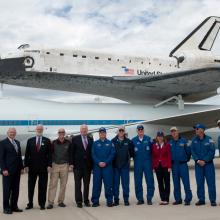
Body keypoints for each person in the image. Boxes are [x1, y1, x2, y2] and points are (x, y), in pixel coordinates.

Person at [24, 124, 52, 210]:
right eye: (38, 129)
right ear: (35, 130)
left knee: (42, 187)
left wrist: (49, 165)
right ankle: (30, 203)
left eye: (41, 129)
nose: (39, 130)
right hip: (32, 168)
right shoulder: (30, 140)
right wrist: (26, 165)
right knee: (31, 187)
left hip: (43, 168)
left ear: (42, 130)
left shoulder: (47, 141)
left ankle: (42, 204)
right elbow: (27, 154)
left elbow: (50, 154)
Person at [191, 123, 216, 206]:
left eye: (197, 129)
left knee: (211, 183)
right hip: (198, 165)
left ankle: (212, 200)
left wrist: (204, 160)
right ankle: (201, 199)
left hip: (208, 165)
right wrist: (198, 160)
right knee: (199, 182)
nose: (196, 130)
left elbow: (212, 151)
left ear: (202, 130)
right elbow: (193, 151)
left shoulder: (209, 139)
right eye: (195, 129)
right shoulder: (194, 140)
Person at [0, 128, 24, 214]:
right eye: (11, 132)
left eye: (14, 132)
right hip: (8, 171)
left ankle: (14, 206)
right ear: (7, 133)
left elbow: (19, 156)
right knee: (7, 190)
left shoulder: (17, 142)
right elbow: (1, 158)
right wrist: (3, 169)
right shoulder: (3, 143)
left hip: (17, 170)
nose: (12, 133)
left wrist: (21, 167)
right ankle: (6, 208)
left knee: (15, 189)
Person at [47, 128, 71, 209]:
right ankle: (50, 202)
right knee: (53, 184)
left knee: (63, 185)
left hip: (65, 165)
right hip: (55, 165)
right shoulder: (54, 143)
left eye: (62, 132)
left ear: (64, 133)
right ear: (58, 133)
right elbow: (50, 154)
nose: (61, 133)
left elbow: (71, 154)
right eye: (60, 132)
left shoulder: (68, 142)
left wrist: (70, 164)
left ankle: (61, 201)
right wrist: (50, 165)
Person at [70, 124, 94, 208]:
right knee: (78, 185)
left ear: (87, 131)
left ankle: (86, 200)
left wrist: (92, 166)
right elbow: (72, 152)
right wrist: (71, 163)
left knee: (86, 184)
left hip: (87, 166)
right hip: (77, 166)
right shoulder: (75, 139)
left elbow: (92, 153)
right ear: (80, 130)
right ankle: (79, 201)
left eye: (85, 129)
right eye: (82, 129)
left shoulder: (91, 139)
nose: (84, 131)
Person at [91, 127, 115, 207]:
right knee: (96, 185)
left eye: (103, 132)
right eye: (100, 133)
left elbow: (112, 154)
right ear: (99, 134)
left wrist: (106, 162)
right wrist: (98, 162)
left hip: (107, 167)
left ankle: (109, 200)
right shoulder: (95, 143)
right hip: (97, 167)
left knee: (108, 185)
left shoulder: (110, 143)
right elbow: (93, 154)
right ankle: (95, 201)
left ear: (105, 133)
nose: (102, 134)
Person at [132, 125, 154, 205]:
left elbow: (153, 152)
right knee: (138, 182)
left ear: (143, 130)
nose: (140, 131)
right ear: (137, 131)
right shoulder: (133, 140)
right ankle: (140, 199)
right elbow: (131, 153)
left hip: (147, 163)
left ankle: (149, 198)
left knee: (150, 181)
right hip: (138, 163)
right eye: (139, 129)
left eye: (141, 129)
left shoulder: (148, 139)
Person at [169, 127, 192, 206]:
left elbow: (188, 152)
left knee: (186, 183)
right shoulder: (170, 143)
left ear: (178, 132)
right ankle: (178, 199)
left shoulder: (184, 141)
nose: (173, 133)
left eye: (175, 131)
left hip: (183, 165)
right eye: (172, 132)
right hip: (174, 165)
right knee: (176, 183)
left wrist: (185, 160)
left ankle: (188, 199)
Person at [111, 126, 134, 206]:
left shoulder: (128, 141)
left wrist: (127, 161)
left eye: (122, 131)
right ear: (117, 132)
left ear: (124, 132)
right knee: (115, 184)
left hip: (124, 166)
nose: (121, 132)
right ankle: (116, 200)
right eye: (119, 131)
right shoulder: (113, 141)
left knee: (125, 184)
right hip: (115, 166)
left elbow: (131, 153)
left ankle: (126, 200)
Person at [152, 131, 171, 205]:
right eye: (158, 136)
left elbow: (169, 156)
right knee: (160, 183)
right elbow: (153, 157)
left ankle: (166, 198)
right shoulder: (154, 145)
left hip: (165, 165)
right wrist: (153, 166)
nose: (160, 137)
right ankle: (162, 198)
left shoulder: (167, 145)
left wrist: (169, 166)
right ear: (156, 137)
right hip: (157, 166)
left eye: (161, 136)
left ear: (163, 137)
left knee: (167, 182)